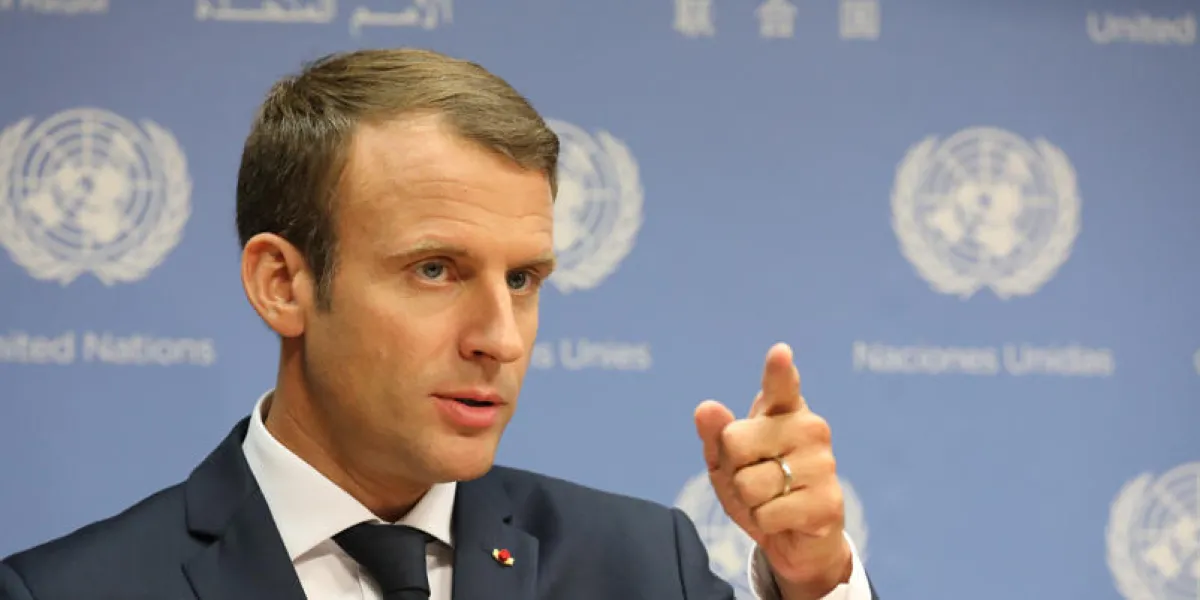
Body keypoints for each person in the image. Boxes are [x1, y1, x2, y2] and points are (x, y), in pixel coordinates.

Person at [0, 48, 878, 600]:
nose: (500, 336)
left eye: (525, 278)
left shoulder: (646, 565)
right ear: (281, 284)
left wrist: (813, 582)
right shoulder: (68, 589)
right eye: (435, 270)